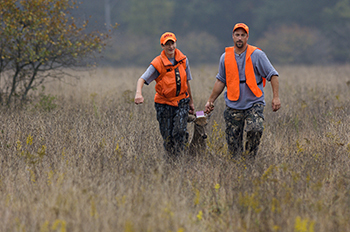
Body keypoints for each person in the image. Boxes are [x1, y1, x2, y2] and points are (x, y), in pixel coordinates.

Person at [205, 23, 281, 160]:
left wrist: (276, 97)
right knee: (233, 146)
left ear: (247, 37)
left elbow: (273, 75)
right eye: (237, 35)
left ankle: (250, 159)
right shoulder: (225, 57)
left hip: (254, 102)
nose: (239, 38)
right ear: (233, 37)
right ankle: (238, 166)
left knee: (255, 129)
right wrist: (210, 100)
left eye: (242, 35)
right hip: (233, 104)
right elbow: (220, 80)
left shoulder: (257, 54)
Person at [134, 32, 195, 161]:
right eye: (167, 44)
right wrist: (138, 93)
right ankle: (170, 161)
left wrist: (191, 103)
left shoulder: (183, 60)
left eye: (172, 43)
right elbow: (142, 79)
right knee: (168, 137)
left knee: (179, 131)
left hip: (182, 102)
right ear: (162, 46)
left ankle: (182, 160)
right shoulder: (158, 63)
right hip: (164, 104)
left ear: (176, 43)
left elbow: (187, 82)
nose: (170, 47)